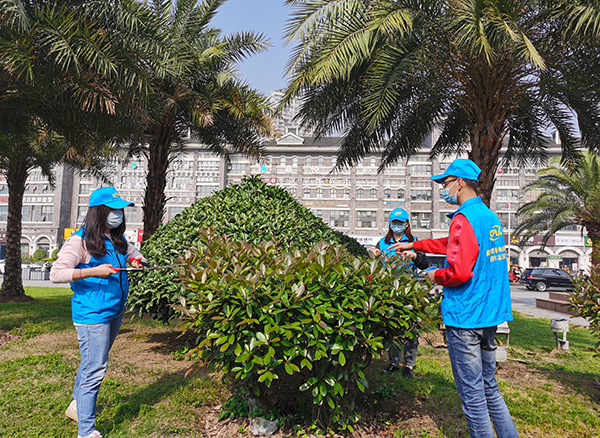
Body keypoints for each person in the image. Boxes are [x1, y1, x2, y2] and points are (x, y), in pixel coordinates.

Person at [390, 159, 518, 437]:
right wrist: (414, 244)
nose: (443, 190)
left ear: (459, 182)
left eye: (445, 184)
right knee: (489, 388)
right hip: (489, 317)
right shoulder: (488, 216)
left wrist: (431, 274)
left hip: (466, 318)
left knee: (472, 397)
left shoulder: (463, 218)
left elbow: (458, 272)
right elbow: (451, 244)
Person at [50, 187, 144, 438]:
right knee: (95, 369)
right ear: (99, 212)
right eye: (113, 211)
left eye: (120, 211)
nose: (118, 216)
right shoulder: (79, 241)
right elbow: (56, 273)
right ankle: (86, 431)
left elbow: (132, 253)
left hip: (114, 312)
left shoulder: (117, 239)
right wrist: (93, 271)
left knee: (91, 363)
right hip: (93, 316)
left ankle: (76, 406)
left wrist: (137, 260)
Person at [373, 208, 429, 379]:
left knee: (410, 329)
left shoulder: (414, 242)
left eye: (400, 223)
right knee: (393, 328)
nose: (397, 225)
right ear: (390, 224)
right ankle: (393, 362)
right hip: (389, 291)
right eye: (394, 222)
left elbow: (425, 264)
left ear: (406, 224)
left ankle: (409, 365)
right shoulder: (382, 243)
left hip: (409, 291)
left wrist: (414, 256)